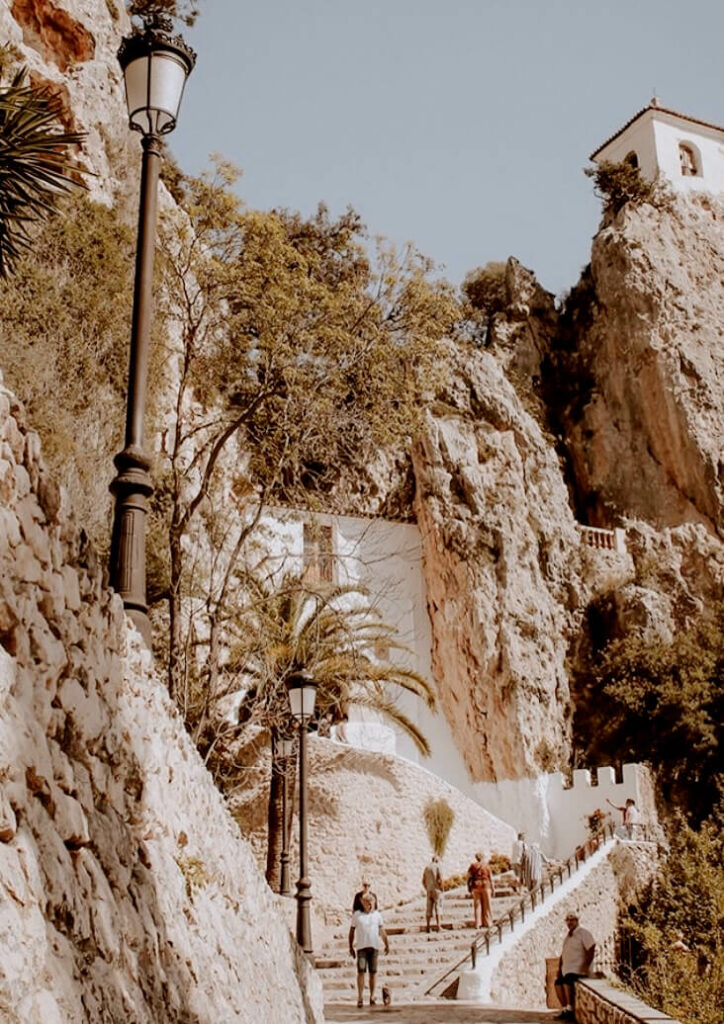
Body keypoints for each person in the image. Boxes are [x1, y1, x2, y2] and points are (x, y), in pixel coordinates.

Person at [349, 891, 389, 1008]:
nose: (370, 905)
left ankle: (372, 996)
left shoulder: (377, 915)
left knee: (373, 972)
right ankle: (360, 997)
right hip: (361, 947)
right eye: (368, 903)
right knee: (361, 971)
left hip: (374, 946)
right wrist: (350, 946)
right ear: (363, 903)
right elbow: (351, 932)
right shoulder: (357, 915)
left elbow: (382, 931)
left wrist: (387, 943)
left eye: (372, 903)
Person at [554, 913, 595, 1021]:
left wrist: (586, 966)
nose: (570, 922)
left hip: (578, 970)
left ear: (577, 921)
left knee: (567, 981)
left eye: (572, 920)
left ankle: (570, 1009)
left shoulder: (583, 933)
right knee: (558, 983)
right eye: (568, 920)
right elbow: (563, 954)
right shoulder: (568, 936)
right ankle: (565, 1009)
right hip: (567, 969)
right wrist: (559, 968)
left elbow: (591, 948)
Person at [467, 852, 493, 928]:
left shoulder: (473, 866)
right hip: (485, 885)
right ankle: (488, 922)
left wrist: (468, 886)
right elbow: (490, 877)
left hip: (476, 886)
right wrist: (493, 888)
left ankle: (478, 923)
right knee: (487, 905)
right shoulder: (486, 865)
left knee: (477, 906)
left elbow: (468, 876)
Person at [421, 854, 443, 933]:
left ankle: (428, 926)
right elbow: (440, 878)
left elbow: (423, 880)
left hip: (429, 889)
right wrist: (441, 888)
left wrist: (426, 887)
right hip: (436, 889)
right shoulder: (437, 867)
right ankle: (439, 926)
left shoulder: (427, 868)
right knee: (438, 907)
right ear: (437, 860)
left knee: (429, 908)